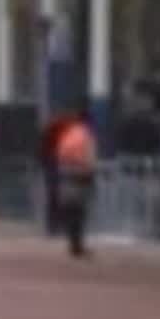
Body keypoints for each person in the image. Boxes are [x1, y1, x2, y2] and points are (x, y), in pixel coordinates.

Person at [53, 106, 99, 259]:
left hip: (66, 174)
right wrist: (91, 173)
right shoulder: (86, 135)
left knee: (71, 212)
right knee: (79, 213)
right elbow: (89, 157)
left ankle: (73, 243)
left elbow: (59, 152)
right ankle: (77, 245)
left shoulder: (69, 134)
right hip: (81, 176)